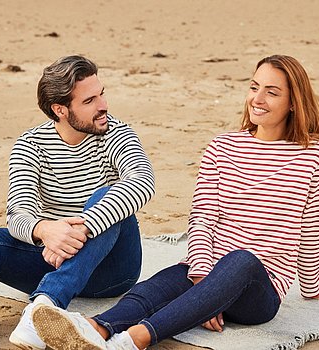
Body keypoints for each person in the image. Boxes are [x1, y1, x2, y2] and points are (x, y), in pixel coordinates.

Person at [30, 54, 319, 350]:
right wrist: (205, 287)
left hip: (259, 290)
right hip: (207, 271)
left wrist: (312, 289)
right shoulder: (222, 147)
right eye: (254, 87)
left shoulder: (311, 158)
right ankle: (96, 328)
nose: (257, 99)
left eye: (272, 92)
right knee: (161, 283)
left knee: (241, 260)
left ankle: (133, 340)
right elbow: (203, 219)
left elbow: (310, 232)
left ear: (293, 101)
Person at [0, 55, 155, 350]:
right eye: (89, 100)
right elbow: (18, 214)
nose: (103, 105)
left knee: (106, 196)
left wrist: (82, 229)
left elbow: (141, 181)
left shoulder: (116, 133)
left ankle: (43, 305)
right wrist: (46, 231)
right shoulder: (30, 145)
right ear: (60, 109)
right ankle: (45, 302)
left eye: (101, 94)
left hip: (111, 270)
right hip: (51, 257)